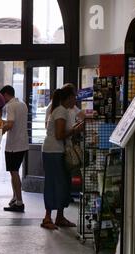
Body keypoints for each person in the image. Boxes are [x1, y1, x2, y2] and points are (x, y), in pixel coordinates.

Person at [41, 86, 83, 230]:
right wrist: (75, 130)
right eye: (74, 96)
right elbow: (59, 135)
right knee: (54, 184)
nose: (75, 99)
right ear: (69, 97)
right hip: (53, 152)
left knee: (63, 183)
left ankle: (60, 216)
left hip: (57, 151)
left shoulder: (63, 110)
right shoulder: (61, 111)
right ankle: (47, 217)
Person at [0, 85, 29, 213]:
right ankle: (15, 198)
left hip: (14, 145)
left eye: (2, 96)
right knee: (14, 172)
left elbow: (10, 124)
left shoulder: (10, 106)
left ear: (6, 94)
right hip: (23, 143)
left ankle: (19, 202)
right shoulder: (22, 104)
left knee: (14, 172)